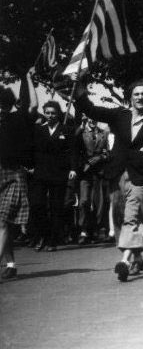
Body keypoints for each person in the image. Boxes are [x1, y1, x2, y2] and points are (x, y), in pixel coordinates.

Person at [74, 78, 143, 282]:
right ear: (130, 97)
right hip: (116, 173)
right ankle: (137, 256)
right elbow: (92, 110)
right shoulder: (118, 114)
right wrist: (78, 91)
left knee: (132, 216)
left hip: (140, 176)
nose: (140, 97)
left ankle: (124, 261)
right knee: (121, 216)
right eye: (136, 93)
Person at [0, 80, 36, 281]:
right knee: (1, 224)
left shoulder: (17, 118)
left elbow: (33, 106)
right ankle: (11, 264)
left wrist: (28, 78)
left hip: (14, 174)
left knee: (3, 220)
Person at [29, 100, 76, 252]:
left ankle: (53, 240)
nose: (50, 116)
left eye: (53, 113)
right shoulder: (38, 130)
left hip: (59, 173)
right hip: (40, 172)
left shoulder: (66, 130)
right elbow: (32, 150)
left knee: (56, 207)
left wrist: (73, 168)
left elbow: (73, 151)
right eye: (47, 113)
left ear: (58, 114)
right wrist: (30, 166)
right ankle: (42, 235)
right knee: (37, 205)